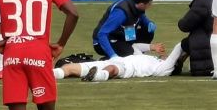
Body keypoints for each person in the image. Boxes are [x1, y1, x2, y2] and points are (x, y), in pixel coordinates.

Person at [55, 42, 183, 82]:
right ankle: (49, 74)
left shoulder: (164, 69)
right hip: (117, 60)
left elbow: (179, 47)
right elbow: (135, 47)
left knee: (112, 68)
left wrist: (186, 45)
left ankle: (97, 76)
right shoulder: (151, 58)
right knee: (68, 67)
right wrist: (151, 47)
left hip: (127, 68)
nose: (167, 56)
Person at [92, 0, 157, 60]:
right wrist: (112, 55)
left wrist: (148, 23)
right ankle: (108, 59)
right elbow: (102, 34)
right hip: (103, 41)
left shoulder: (136, 4)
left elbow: (140, 15)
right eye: (149, 4)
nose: (151, 6)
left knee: (148, 32)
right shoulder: (120, 13)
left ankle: (129, 51)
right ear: (141, 4)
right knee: (130, 54)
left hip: (121, 35)